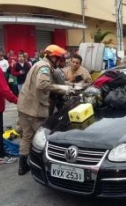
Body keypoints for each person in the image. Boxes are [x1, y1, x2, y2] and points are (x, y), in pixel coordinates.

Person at [17, 44, 75, 175]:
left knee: (26, 136)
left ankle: (22, 166)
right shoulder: (44, 67)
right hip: (34, 109)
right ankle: (45, 165)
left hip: (24, 107)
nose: (61, 61)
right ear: (53, 57)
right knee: (45, 137)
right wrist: (62, 89)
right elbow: (42, 84)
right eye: (59, 58)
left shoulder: (38, 64)